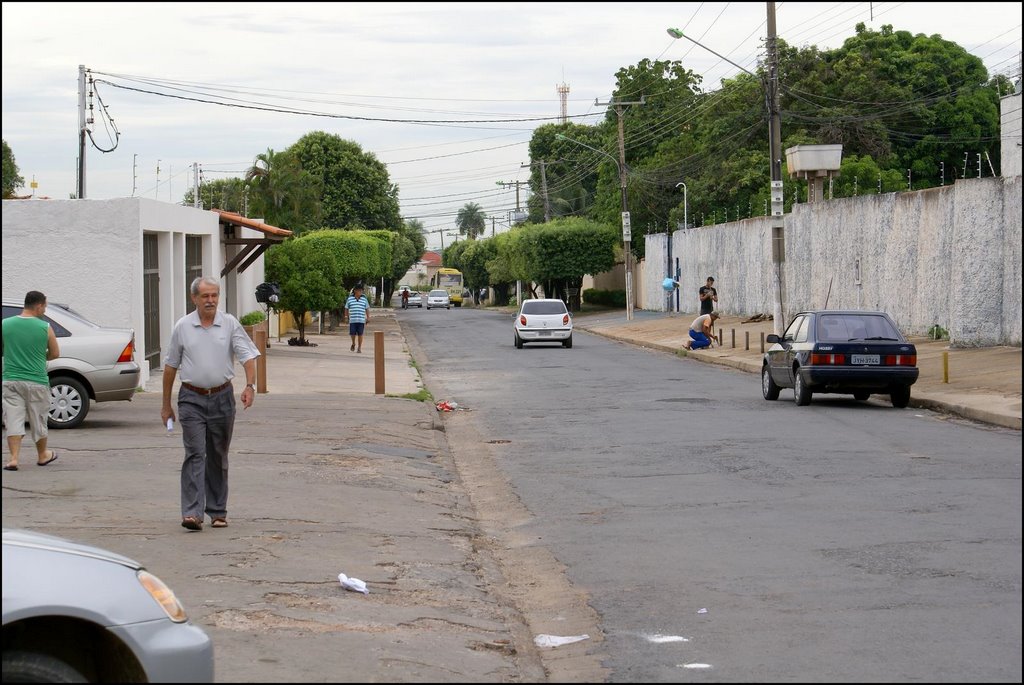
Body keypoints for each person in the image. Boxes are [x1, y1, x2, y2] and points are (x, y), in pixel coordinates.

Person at [161, 277, 260, 531]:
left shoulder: (229, 324)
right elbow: (171, 366)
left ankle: (217, 511)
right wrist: (166, 405)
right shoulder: (183, 326)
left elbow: (247, 356)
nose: (211, 301)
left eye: (214, 295)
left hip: (222, 397)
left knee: (217, 455)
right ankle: (192, 513)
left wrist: (250, 385)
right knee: (195, 453)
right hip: (191, 398)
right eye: (205, 296)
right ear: (194, 298)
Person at [2, 291, 61, 471]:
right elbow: (55, 353)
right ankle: (43, 455)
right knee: (38, 419)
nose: (45, 310)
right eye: (45, 306)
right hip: (36, 381)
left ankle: (13, 458)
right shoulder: (45, 327)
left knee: (13, 419)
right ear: (38, 306)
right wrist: (40, 355)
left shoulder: (5, 324)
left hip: (11, 380)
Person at [344, 284, 371, 353]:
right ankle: (353, 343)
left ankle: (359, 347)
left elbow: (367, 309)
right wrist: (346, 317)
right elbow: (346, 308)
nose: (360, 292)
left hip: (361, 320)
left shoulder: (364, 299)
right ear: (355, 291)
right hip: (352, 320)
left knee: (360, 334)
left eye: (361, 291)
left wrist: (368, 318)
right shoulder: (350, 299)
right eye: (359, 290)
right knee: (352, 333)